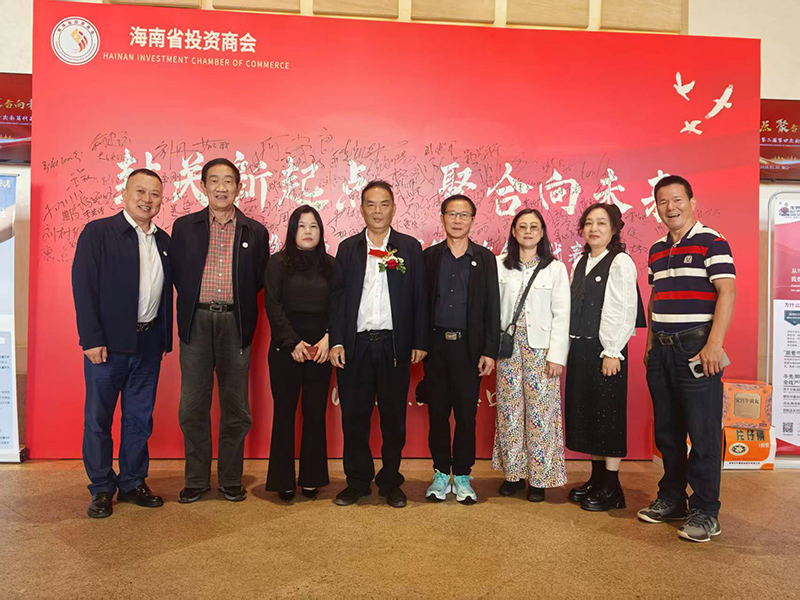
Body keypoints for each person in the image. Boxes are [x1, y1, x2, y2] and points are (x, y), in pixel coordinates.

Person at [638, 175, 736, 543]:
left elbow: (727, 291)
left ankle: (706, 511)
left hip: (697, 349)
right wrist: (650, 344)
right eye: (663, 202)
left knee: (703, 433)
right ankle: (673, 498)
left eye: (677, 199)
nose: (670, 207)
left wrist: (714, 344)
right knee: (668, 433)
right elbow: (656, 296)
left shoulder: (712, 241)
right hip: (661, 352)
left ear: (692, 202)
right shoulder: (656, 249)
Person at [72, 168, 172, 518]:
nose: (147, 199)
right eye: (140, 191)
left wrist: (163, 339)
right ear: (125, 194)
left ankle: (132, 482)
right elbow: (83, 287)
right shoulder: (98, 232)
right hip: (107, 347)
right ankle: (101, 487)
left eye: (155, 194)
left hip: (148, 345)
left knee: (138, 419)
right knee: (99, 420)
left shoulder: (163, 241)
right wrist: (91, 339)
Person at [171, 157, 269, 504]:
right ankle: (196, 479)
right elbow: (178, 273)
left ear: (239, 188)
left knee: (235, 406)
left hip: (235, 322)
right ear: (203, 186)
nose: (222, 188)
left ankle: (230, 478)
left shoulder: (255, 231)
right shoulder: (185, 227)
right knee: (192, 405)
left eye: (229, 181)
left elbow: (258, 279)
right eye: (214, 181)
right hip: (196, 322)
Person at [329, 180, 428, 508]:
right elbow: (337, 299)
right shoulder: (348, 248)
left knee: (393, 419)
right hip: (356, 345)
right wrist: (337, 341)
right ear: (361, 209)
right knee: (354, 418)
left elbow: (420, 296)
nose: (377, 211)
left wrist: (418, 340)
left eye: (384, 204)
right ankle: (357, 482)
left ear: (393, 208)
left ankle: (390, 482)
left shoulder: (409, 247)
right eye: (370, 204)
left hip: (393, 344)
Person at [564, 203, 644, 511]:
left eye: (601, 223)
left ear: (614, 229)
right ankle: (597, 479)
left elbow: (623, 309)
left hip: (607, 351)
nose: (594, 228)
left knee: (608, 417)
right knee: (589, 414)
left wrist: (613, 350)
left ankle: (612, 486)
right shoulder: (581, 261)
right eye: (589, 223)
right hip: (581, 348)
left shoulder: (620, 262)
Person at [422, 194, 500, 504]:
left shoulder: (484, 259)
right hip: (435, 348)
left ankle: (464, 476)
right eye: (452, 214)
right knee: (438, 415)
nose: (457, 220)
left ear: (472, 220)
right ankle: (441, 473)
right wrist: (419, 345)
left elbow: (492, 306)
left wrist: (489, 350)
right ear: (442, 217)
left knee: (467, 417)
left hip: (469, 349)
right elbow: (419, 305)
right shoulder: (429, 258)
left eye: (463, 215)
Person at [493, 208, 570, 502]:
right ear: (514, 232)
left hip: (542, 350)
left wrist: (557, 355)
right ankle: (513, 475)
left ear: (542, 233)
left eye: (533, 227)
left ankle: (539, 478)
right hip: (508, 349)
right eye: (522, 226)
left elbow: (562, 315)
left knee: (541, 413)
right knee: (509, 411)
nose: (528, 231)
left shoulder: (555, 268)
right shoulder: (500, 265)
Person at [264, 206, 335, 502]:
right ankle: (282, 479)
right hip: (286, 349)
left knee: (315, 414)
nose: (308, 231)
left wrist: (329, 339)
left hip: (321, 350)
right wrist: (292, 342)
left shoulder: (331, 265)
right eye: (302, 226)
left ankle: (311, 477)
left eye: (313, 226)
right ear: (292, 230)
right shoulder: (277, 263)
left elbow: (340, 305)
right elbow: (273, 304)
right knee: (284, 414)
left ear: (321, 231)